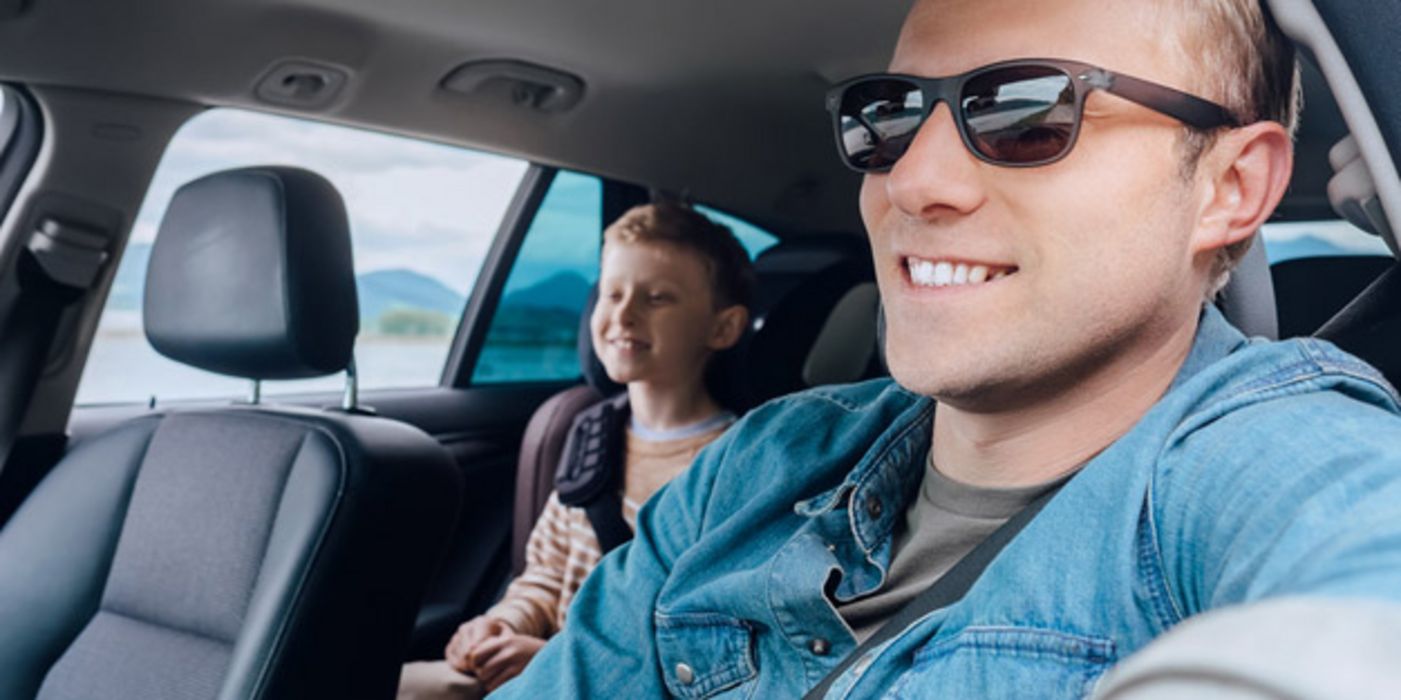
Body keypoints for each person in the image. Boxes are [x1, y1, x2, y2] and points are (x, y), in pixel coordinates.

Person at [495, 0, 1401, 698]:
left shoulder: (1270, 459)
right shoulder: (753, 469)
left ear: (1230, 186)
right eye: (885, 116)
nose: (909, 180)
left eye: (1024, 112)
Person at [397, 202, 753, 699]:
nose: (624, 315)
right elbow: (544, 574)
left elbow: (709, 640)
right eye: (611, 293)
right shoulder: (592, 438)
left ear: (724, 328)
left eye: (657, 298)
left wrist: (557, 659)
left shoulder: (737, 465)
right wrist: (501, 625)